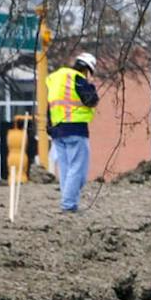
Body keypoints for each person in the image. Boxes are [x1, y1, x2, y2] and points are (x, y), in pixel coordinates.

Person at [43, 52, 101, 213]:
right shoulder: (77, 79)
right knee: (78, 171)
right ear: (87, 69)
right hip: (75, 129)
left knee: (66, 169)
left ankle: (69, 203)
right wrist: (91, 85)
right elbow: (91, 100)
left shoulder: (57, 79)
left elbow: (51, 105)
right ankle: (68, 205)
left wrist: (49, 126)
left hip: (57, 130)